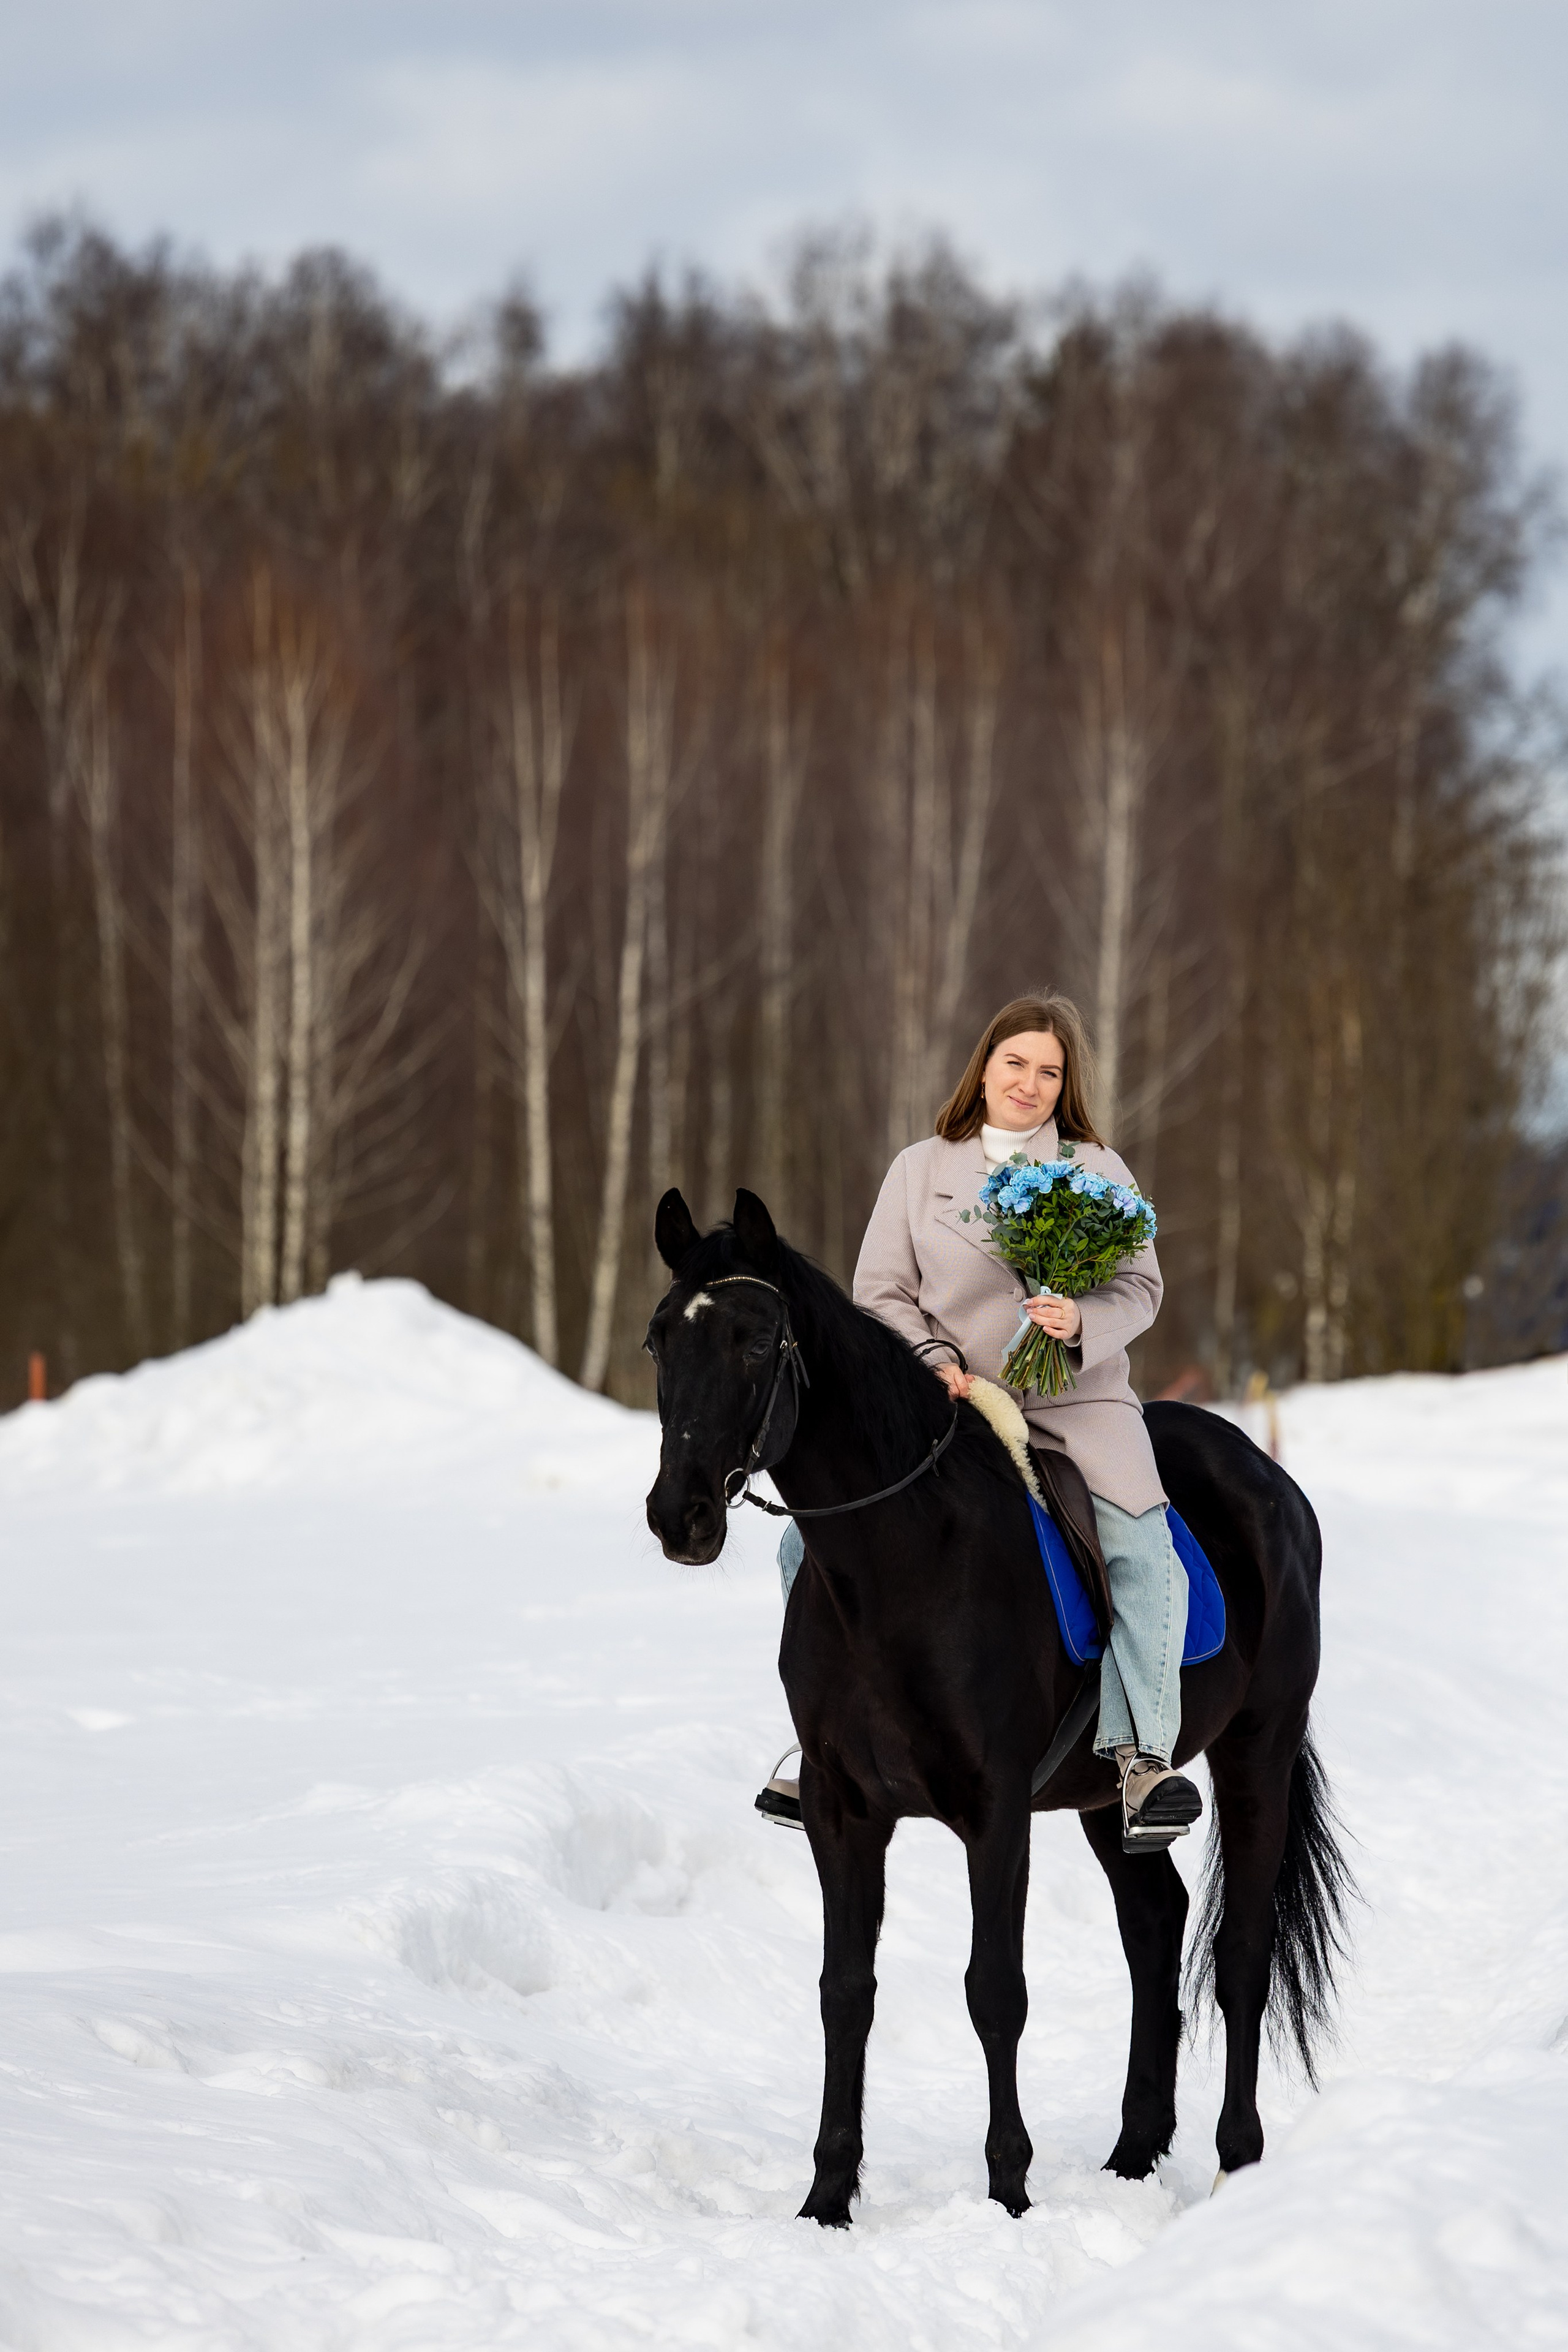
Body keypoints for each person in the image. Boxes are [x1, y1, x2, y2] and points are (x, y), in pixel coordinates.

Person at [764, 992, 1202, 1850]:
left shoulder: (1098, 1168)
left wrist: (1081, 1325)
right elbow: (880, 1293)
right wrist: (931, 1366)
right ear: (985, 1066)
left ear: (1065, 1084)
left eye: (1050, 1071)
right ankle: (820, 1742)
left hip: (1077, 1404)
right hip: (947, 1408)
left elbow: (1141, 1288)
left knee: (1144, 1550)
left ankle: (1140, 1757)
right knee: (797, 1545)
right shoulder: (919, 1169)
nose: (1030, 1083)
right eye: (1016, 1064)